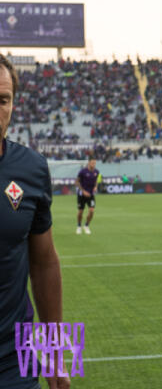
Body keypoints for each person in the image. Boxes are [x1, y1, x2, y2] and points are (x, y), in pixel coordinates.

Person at [0, 54, 70, 388]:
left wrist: (57, 353)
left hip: (16, 359)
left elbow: (44, 263)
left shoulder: (32, 168)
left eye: (3, 100)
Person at [75, 157, 99, 234]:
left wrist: (95, 187)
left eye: (95, 163)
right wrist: (83, 191)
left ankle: (86, 226)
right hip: (81, 195)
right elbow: (77, 182)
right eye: (92, 163)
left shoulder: (96, 171)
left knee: (91, 210)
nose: (94, 164)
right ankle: (79, 226)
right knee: (80, 211)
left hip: (91, 195)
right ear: (89, 163)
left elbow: (96, 181)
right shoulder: (82, 171)